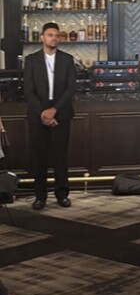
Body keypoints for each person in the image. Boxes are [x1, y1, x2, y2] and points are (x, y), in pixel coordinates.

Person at [24, 21, 77, 210]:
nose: (54, 38)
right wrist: (44, 113)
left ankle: (62, 194)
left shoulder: (67, 59)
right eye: (50, 35)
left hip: (61, 114)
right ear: (42, 38)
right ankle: (40, 196)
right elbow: (28, 91)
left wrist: (54, 111)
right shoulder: (31, 60)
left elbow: (71, 88)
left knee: (60, 157)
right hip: (37, 117)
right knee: (40, 157)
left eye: (57, 35)